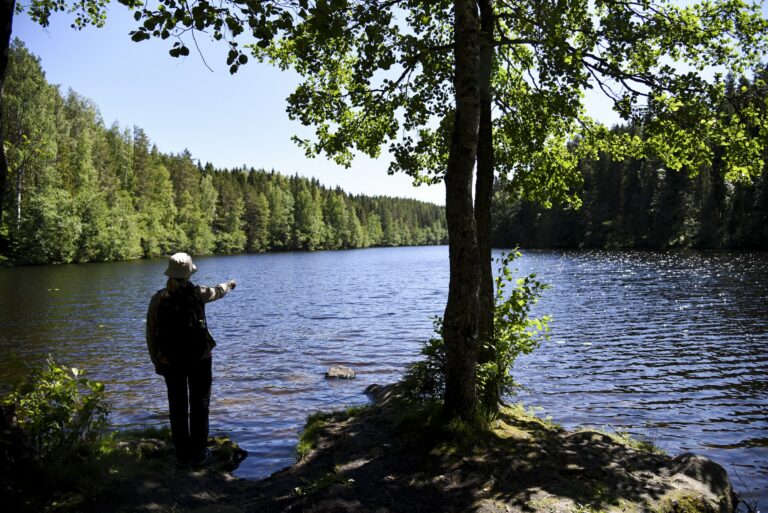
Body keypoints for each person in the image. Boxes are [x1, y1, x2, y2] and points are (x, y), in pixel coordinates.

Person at [146, 252, 236, 467]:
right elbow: (218, 291)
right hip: (200, 358)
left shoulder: (159, 298)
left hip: (170, 361)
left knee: (177, 406)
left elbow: (150, 333)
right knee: (200, 404)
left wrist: (156, 361)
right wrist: (229, 285)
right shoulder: (198, 293)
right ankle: (199, 452)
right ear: (188, 272)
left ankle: (181, 454)